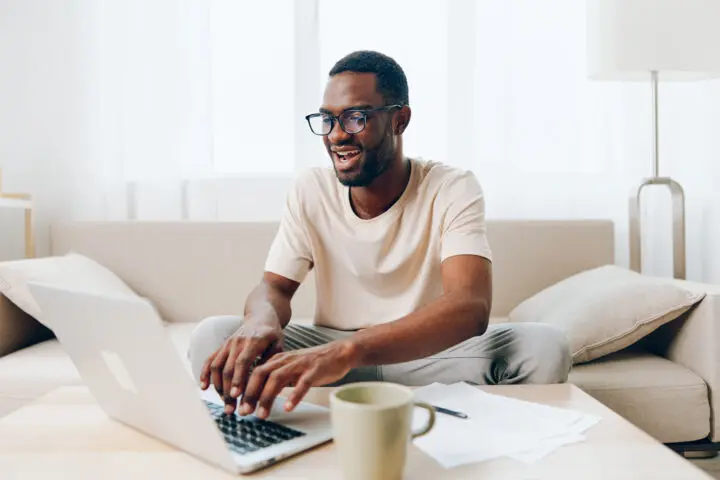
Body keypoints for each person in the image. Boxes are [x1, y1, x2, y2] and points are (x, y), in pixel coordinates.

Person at [188, 50, 571, 419]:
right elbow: (274, 288)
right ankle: (281, 429)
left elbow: (469, 307)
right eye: (328, 120)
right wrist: (260, 319)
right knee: (214, 336)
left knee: (543, 346)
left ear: (399, 120)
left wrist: (352, 350)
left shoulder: (451, 186)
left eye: (355, 117)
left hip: (424, 358)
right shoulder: (311, 189)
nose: (337, 136)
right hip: (332, 357)